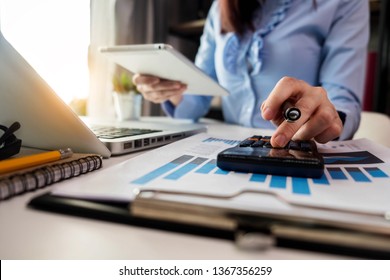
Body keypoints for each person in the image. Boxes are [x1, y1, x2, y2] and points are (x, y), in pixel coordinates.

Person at [133, 0, 369, 147]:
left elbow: (342, 101)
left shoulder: (344, 3)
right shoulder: (220, 8)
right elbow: (196, 101)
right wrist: (167, 87)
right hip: (226, 148)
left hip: (295, 149)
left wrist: (328, 116)